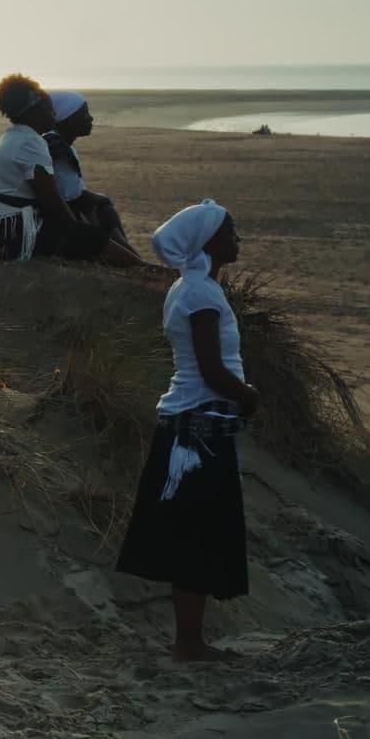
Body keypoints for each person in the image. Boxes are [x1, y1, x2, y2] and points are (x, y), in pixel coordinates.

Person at [114, 201, 259, 662]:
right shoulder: (199, 294)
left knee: (190, 534)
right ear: (208, 241)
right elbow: (211, 368)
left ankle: (189, 639)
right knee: (197, 534)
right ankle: (189, 642)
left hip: (190, 424)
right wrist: (248, 396)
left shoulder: (192, 287)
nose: (237, 239)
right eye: (229, 230)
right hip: (198, 427)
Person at [0, 75, 142, 266]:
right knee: (91, 238)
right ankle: (144, 271)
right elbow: (52, 203)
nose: (53, 114)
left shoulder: (18, 136)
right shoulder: (31, 143)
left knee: (87, 231)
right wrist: (77, 232)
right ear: (34, 111)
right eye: (48, 109)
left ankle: (139, 267)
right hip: (4, 237)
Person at [41, 92, 137, 256]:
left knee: (103, 207)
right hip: (57, 220)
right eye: (84, 114)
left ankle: (128, 255)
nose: (90, 119)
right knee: (100, 210)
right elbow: (68, 197)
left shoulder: (62, 145)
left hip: (65, 212)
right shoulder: (57, 148)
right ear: (67, 119)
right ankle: (130, 258)